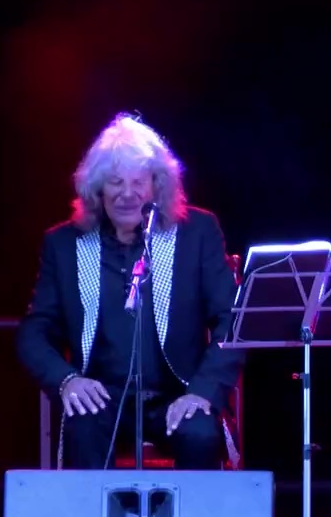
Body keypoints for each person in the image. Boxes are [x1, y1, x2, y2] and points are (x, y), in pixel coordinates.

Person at [16, 113, 243, 470]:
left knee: (199, 433)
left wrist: (202, 391)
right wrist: (67, 381)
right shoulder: (63, 243)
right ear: (96, 189)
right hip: (101, 397)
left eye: (138, 182)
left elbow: (231, 321)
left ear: (157, 185)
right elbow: (34, 331)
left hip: (179, 394)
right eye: (115, 182)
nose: (126, 194)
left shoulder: (197, 232)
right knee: (83, 427)